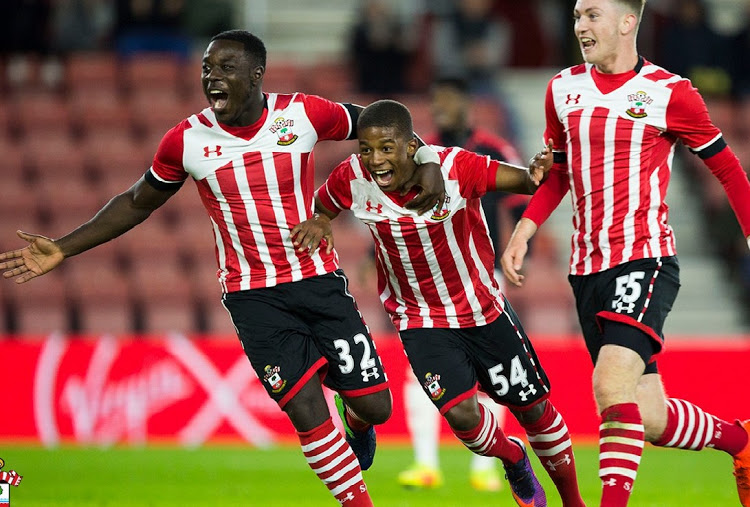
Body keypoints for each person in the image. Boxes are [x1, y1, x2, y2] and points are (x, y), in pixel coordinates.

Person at [0, 30, 446, 507]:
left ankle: (355, 418)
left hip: (318, 281)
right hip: (252, 296)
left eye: (226, 68)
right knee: (305, 410)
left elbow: (382, 125)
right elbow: (136, 202)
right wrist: (64, 248)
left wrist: (427, 160)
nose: (212, 77)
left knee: (375, 407)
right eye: (207, 69)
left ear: (257, 75)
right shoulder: (186, 140)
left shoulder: (304, 113)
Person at [499, 1, 750, 506]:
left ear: (627, 21)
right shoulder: (563, 89)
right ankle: (741, 442)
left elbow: (725, 167)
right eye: (576, 16)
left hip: (645, 259)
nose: (581, 27)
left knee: (611, 385)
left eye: (592, 15)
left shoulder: (670, 92)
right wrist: (525, 229)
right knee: (648, 415)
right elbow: (560, 174)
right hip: (586, 270)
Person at [292, 99, 587, 507]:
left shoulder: (454, 168)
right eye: (366, 149)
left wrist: (537, 174)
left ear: (412, 146)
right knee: (464, 418)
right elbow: (325, 205)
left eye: (386, 148)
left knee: (535, 410)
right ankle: (513, 457)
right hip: (420, 320)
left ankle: (574, 502)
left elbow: (522, 182)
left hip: (483, 310)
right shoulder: (351, 176)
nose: (374, 160)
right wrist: (321, 219)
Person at [396, 76, 529, 492]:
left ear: (467, 105)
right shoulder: (421, 152)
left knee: (494, 372)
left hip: (479, 275)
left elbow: (524, 195)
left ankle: (486, 469)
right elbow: (394, 208)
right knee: (421, 371)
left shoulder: (491, 149)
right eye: (436, 101)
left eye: (448, 101)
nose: (440, 108)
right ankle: (426, 465)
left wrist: (520, 247)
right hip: (427, 280)